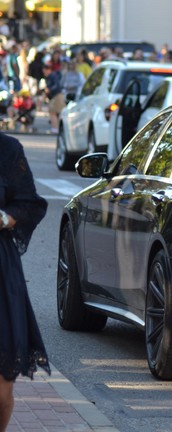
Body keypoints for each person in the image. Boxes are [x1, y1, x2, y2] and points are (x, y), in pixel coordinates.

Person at [0, 133, 49, 432]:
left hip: (1, 276)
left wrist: (4, 218)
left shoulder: (7, 150)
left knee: (2, 392)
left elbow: (30, 204)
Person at [42, 62, 64, 134]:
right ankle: (55, 127)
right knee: (54, 112)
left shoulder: (53, 76)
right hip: (54, 96)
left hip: (57, 95)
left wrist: (50, 89)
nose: (44, 72)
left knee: (53, 111)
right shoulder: (49, 77)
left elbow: (57, 85)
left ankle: (55, 128)